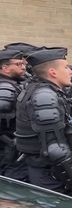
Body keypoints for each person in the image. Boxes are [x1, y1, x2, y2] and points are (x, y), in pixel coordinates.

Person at [15, 47, 72, 201]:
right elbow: (55, 149)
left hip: (48, 169)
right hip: (49, 174)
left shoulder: (45, 90)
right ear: (52, 72)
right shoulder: (44, 96)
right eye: (65, 67)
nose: (70, 71)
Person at [0, 49, 28, 182]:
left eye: (23, 64)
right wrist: (9, 141)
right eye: (18, 64)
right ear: (5, 68)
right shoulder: (5, 87)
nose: (23, 67)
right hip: (7, 149)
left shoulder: (14, 84)